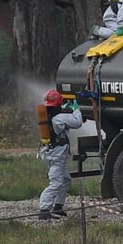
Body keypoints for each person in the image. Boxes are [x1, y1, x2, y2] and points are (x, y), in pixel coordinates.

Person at [38, 89, 84, 220]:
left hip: (50, 153)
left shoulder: (48, 116)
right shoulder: (59, 118)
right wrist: (76, 108)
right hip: (57, 156)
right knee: (56, 183)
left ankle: (58, 207)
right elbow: (77, 122)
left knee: (65, 180)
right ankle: (44, 209)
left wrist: (65, 109)